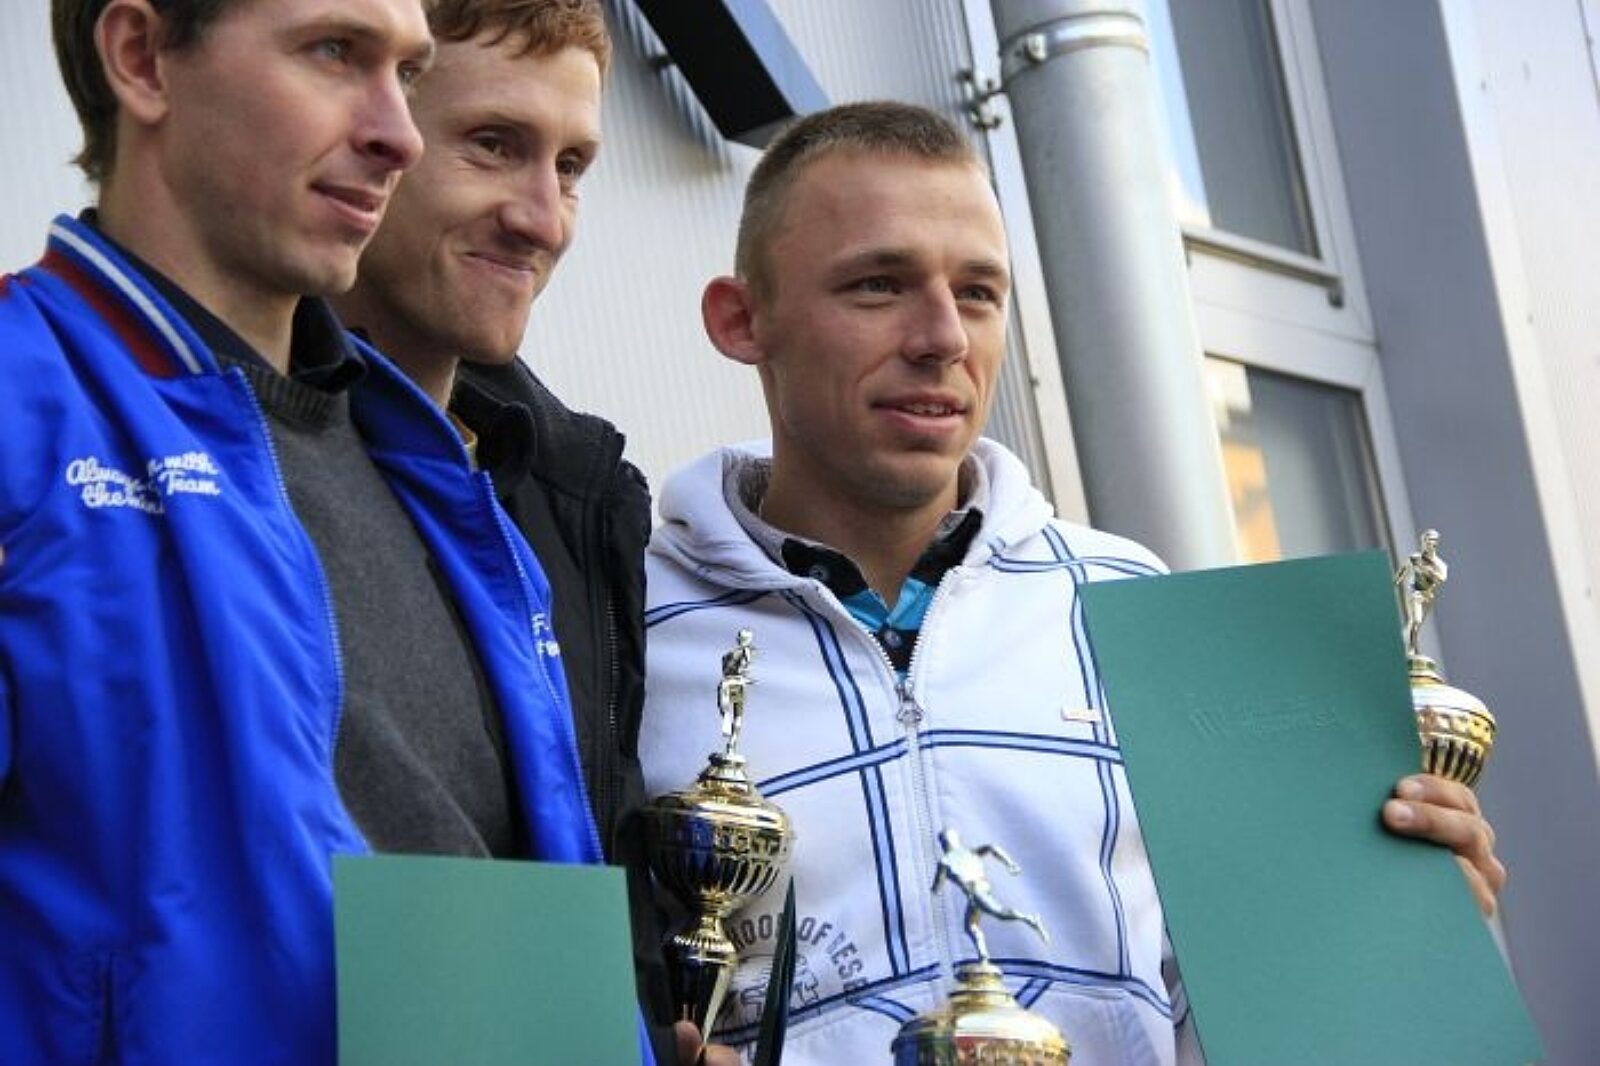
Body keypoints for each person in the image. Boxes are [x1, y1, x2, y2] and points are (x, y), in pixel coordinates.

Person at [637, 101, 1507, 1064]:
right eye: (879, 285)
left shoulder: (1137, 605)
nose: (943, 337)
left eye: (978, 292)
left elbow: (1269, 1019)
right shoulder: (624, 633)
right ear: (742, 319)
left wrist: (1392, 928)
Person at [0, 2, 619, 1062]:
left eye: (408, 73)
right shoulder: (22, 411)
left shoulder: (442, 477)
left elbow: (501, 951)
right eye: (336, 53)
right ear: (142, 58)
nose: (398, 133)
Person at [328, 4, 724, 1063]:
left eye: (573, 166)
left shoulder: (581, 500)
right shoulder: (191, 452)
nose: (543, 219)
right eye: (494, 145)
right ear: (366, 131)